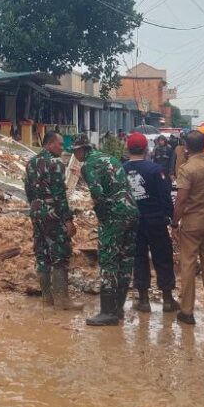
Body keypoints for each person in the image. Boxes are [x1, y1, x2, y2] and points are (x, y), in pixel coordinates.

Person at [71, 133, 137, 326]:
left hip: (114, 216)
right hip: (132, 211)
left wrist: (103, 218)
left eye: (75, 152)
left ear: (81, 149)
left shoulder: (88, 165)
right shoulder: (110, 158)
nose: (75, 156)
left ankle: (108, 312)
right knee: (125, 260)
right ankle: (118, 310)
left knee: (108, 261)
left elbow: (97, 194)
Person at [24, 131, 83, 311]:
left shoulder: (31, 162)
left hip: (36, 212)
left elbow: (28, 189)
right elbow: (59, 195)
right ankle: (62, 299)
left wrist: (36, 206)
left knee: (41, 254)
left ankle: (46, 299)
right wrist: (68, 220)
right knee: (61, 254)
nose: (62, 147)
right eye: (59, 144)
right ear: (49, 144)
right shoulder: (55, 163)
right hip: (52, 214)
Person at [122, 132, 179, 313]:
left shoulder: (121, 169)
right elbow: (165, 196)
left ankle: (144, 300)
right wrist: (170, 218)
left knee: (139, 258)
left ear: (127, 148)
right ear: (146, 148)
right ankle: (168, 300)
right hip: (155, 220)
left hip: (133, 221)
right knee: (163, 257)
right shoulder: (155, 170)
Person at [171, 130, 204, 326]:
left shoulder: (187, 169)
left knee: (188, 264)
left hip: (193, 223)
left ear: (186, 147)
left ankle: (187, 310)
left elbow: (182, 199)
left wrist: (175, 223)